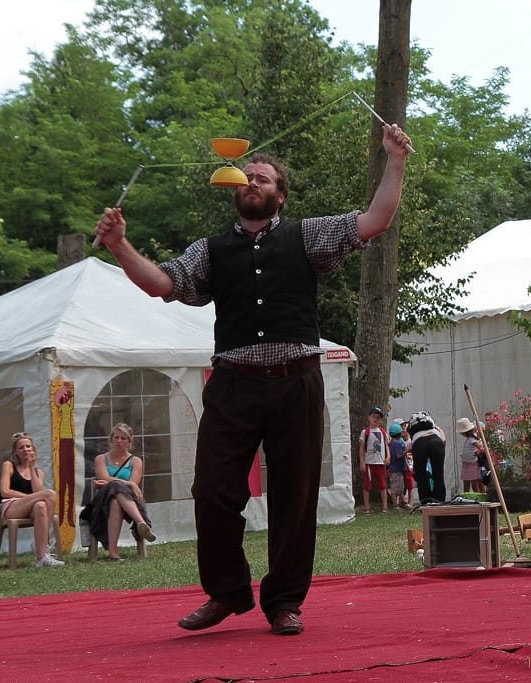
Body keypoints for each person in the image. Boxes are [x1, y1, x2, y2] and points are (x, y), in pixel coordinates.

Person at [94, 122, 412, 635]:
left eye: (262, 177)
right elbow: (161, 284)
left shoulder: (306, 235)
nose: (252, 182)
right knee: (214, 490)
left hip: (297, 382)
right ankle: (226, 593)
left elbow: (374, 220)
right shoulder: (211, 250)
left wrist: (394, 158)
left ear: (279, 194)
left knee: (295, 494)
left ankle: (284, 601)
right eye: (246, 177)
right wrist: (119, 245)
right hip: (234, 384)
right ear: (234, 190)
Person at [85, 422, 156, 561]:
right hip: (103, 501)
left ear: (129, 442)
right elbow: (105, 477)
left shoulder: (135, 461)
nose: (119, 441)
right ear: (111, 440)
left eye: (123, 438)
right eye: (116, 437)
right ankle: (141, 522)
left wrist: (115, 483)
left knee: (116, 501)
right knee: (115, 487)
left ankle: (113, 551)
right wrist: (127, 483)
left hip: (127, 500)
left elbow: (133, 484)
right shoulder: (100, 459)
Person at [0, 433, 64, 567]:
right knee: (49, 494)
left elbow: (38, 493)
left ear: (33, 449)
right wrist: (30, 498)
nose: (26, 450)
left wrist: (31, 467)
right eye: (21, 447)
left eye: (28, 447)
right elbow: (4, 491)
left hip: (32, 508)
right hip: (11, 506)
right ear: (15, 451)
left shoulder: (39, 472)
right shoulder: (9, 465)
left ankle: (41, 557)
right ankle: (45, 543)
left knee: (40, 505)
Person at [407, 411, 446, 504]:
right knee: (438, 475)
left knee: (421, 475)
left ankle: (425, 501)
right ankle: (439, 501)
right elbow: (443, 440)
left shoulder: (412, 429)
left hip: (419, 443)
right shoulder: (435, 427)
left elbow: (410, 446)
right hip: (436, 441)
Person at [358, 407, 390, 514]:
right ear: (369, 417)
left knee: (383, 485)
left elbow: (386, 445)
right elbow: (362, 448)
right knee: (367, 485)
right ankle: (367, 508)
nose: (376, 419)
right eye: (374, 417)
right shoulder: (365, 432)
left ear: (381, 420)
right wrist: (362, 462)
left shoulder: (383, 432)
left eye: (378, 417)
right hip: (369, 463)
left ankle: (385, 507)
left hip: (380, 463)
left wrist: (388, 456)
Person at [455, 417, 486, 493]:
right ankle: (467, 498)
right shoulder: (469, 439)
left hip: (472, 464)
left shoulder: (472, 439)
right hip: (466, 464)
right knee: (466, 483)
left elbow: (481, 449)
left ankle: (478, 498)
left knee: (474, 484)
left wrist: (477, 452)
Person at [387, 422, 409, 509]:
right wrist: (406, 451)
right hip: (396, 469)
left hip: (395, 469)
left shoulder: (390, 444)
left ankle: (403, 502)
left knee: (400, 487)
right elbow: (398, 455)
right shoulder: (398, 444)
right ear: (399, 434)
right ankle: (395, 504)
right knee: (395, 488)